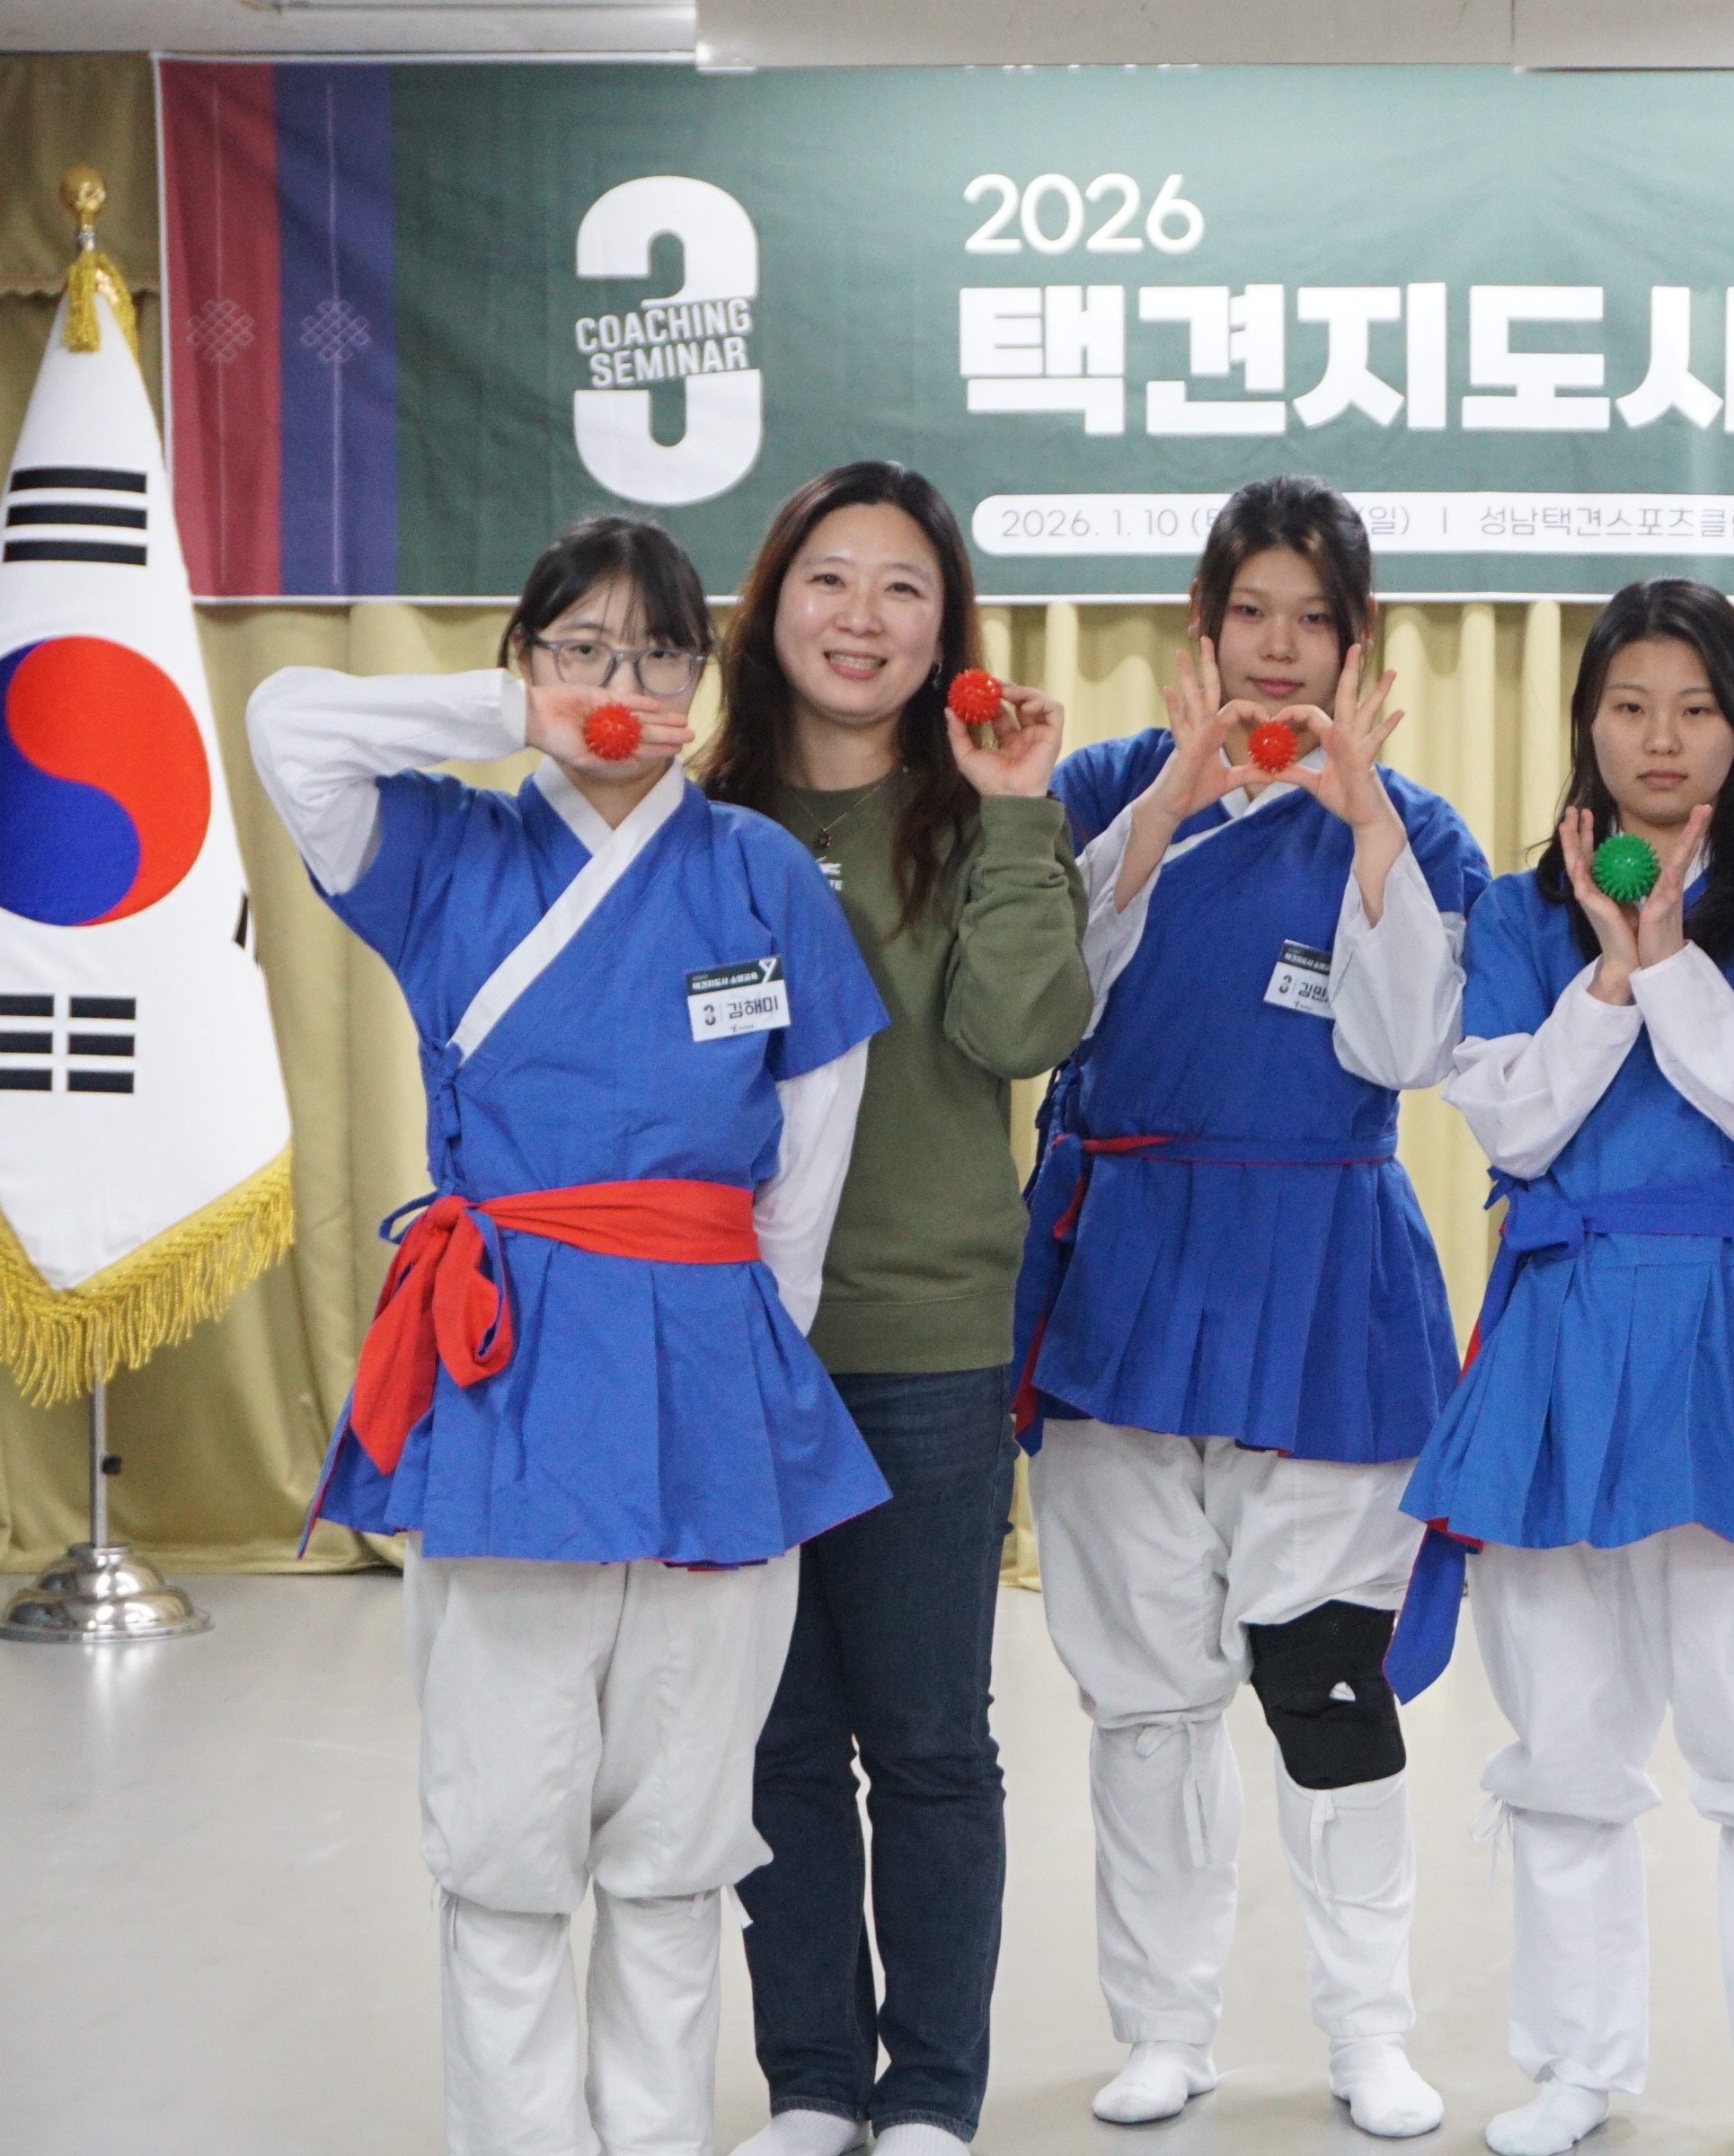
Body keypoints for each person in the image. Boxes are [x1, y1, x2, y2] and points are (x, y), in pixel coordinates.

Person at [245, 515, 889, 2156]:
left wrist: (755, 1343)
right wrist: (504, 714)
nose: (623, 684)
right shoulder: (444, 850)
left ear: (705, 677)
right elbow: (284, 724)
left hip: (715, 1366)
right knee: (508, 1829)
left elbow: (814, 1141)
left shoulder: (757, 871)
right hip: (508, 1363)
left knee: (679, 1830)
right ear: (526, 661)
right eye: (583, 648)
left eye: (660, 653)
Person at [1013, 473, 1487, 2140]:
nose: (1279, 651)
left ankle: (1369, 2033)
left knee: (1330, 1680)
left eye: (1314, 621)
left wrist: (1365, 833)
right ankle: (1166, 2026)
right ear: (1201, 630)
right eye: (1251, 615)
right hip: (1126, 1267)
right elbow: (1044, 1006)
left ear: (1360, 647)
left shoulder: (1416, 825)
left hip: (1325, 1270)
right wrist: (1165, 811)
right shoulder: (1100, 786)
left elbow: (1408, 1049)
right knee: (1145, 1694)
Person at [1391, 579, 1734, 2156]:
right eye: (1629, 706)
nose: (1662, 739)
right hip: (1563, 1336)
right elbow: (1516, 1125)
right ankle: (1576, 2066)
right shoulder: (1513, 915)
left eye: (1696, 709)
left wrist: (1672, 965)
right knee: (1563, 1733)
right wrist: (1609, 976)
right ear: (1586, 722)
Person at [695, 465, 1092, 2156]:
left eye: (904, 589)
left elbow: (1025, 1033)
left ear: (948, 635)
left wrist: (1013, 813)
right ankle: (810, 2085)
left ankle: (929, 2095)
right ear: (769, 605)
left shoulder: (979, 817)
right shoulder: (695, 825)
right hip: (729, 1345)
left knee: (929, 1742)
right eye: (830, 579)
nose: (862, 618)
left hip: (927, 1340)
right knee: (775, 1741)